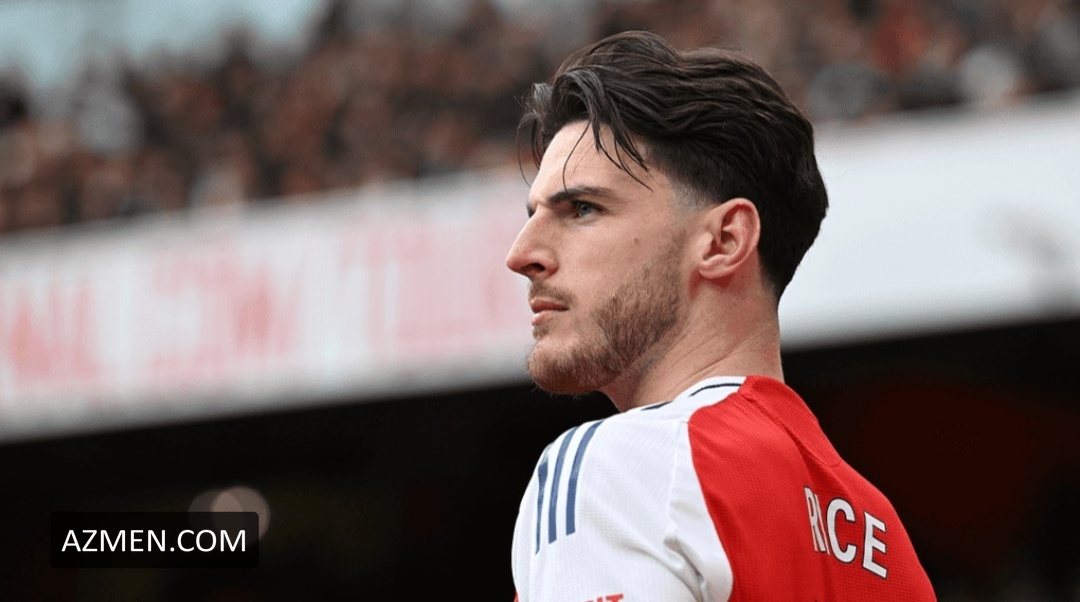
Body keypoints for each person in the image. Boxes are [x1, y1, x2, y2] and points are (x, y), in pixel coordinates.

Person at [505, 31, 936, 600]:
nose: (521, 255)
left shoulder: (618, 464)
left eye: (582, 208)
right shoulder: (885, 538)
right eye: (532, 214)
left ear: (724, 240)